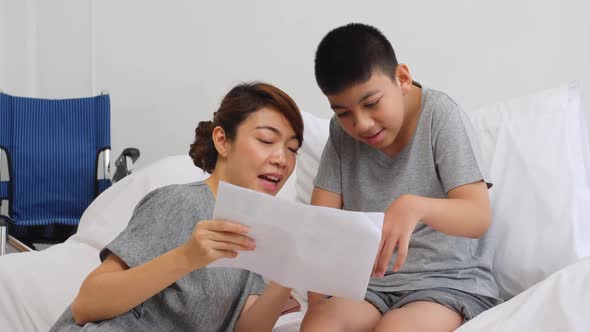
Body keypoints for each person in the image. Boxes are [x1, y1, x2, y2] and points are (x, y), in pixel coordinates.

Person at [50, 82, 304, 332]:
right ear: (222, 141)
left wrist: (288, 275)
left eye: (292, 149)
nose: (282, 159)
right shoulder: (183, 203)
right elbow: (86, 304)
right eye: (266, 140)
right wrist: (187, 257)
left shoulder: (253, 235)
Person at [301, 23, 502, 332]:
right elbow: (322, 225)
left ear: (402, 78)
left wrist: (416, 206)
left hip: (446, 284)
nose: (361, 124)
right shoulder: (341, 133)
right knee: (321, 325)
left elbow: (477, 216)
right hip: (369, 286)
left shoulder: (441, 116)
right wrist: (318, 306)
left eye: (371, 103)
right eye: (343, 112)